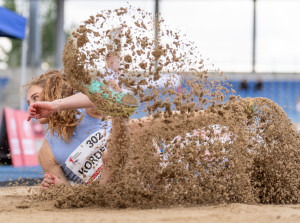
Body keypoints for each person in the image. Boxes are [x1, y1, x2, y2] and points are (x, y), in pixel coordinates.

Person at [25, 69, 131, 189]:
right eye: (28, 102)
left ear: (53, 93)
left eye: (35, 98)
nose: (31, 106)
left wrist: (55, 105)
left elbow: (103, 93)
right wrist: (54, 187)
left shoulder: (88, 110)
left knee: (135, 127)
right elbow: (66, 193)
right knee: (108, 156)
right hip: (107, 193)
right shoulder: (46, 152)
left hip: (136, 172)